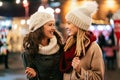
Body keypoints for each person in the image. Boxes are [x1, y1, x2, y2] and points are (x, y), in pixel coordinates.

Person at [60, 1, 105, 80]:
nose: (66, 27)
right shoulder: (68, 45)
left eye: (69, 23)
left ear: (78, 25)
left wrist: (80, 70)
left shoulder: (93, 48)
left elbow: (98, 77)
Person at [21, 11, 63, 80]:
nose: (53, 28)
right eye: (50, 25)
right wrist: (34, 76)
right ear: (39, 28)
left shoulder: (59, 46)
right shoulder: (28, 53)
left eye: (53, 25)